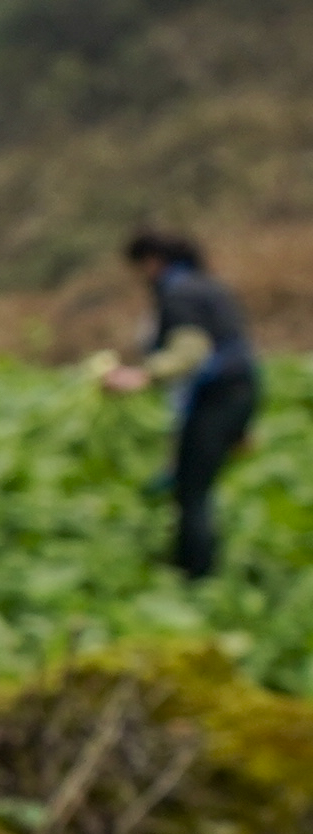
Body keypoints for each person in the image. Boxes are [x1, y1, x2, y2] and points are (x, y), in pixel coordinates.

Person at [99, 230, 258, 579]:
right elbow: (237, 348)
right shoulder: (209, 287)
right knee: (194, 483)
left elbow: (192, 351)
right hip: (239, 394)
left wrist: (141, 376)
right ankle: (194, 569)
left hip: (215, 399)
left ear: (153, 262)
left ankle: (196, 578)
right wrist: (242, 424)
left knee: (191, 491)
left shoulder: (179, 295)